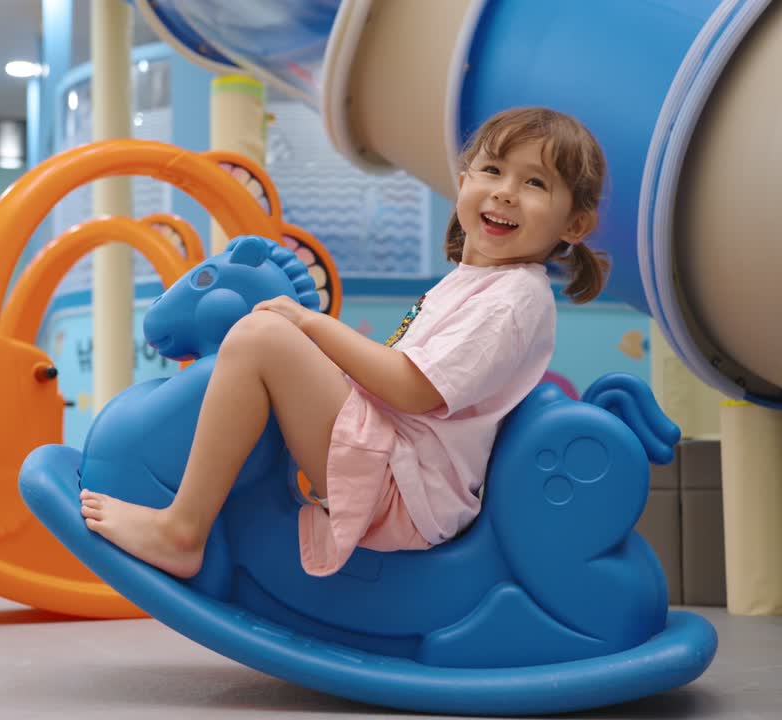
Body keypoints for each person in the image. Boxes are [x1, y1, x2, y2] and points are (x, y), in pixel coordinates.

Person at [80, 106, 611, 579]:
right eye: (492, 170)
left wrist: (312, 326)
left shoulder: (512, 299)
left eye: (535, 183)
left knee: (263, 334)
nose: (504, 191)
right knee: (273, 340)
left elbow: (412, 389)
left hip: (404, 486)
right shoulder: (472, 282)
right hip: (393, 458)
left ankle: (182, 529)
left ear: (575, 223)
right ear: (464, 180)